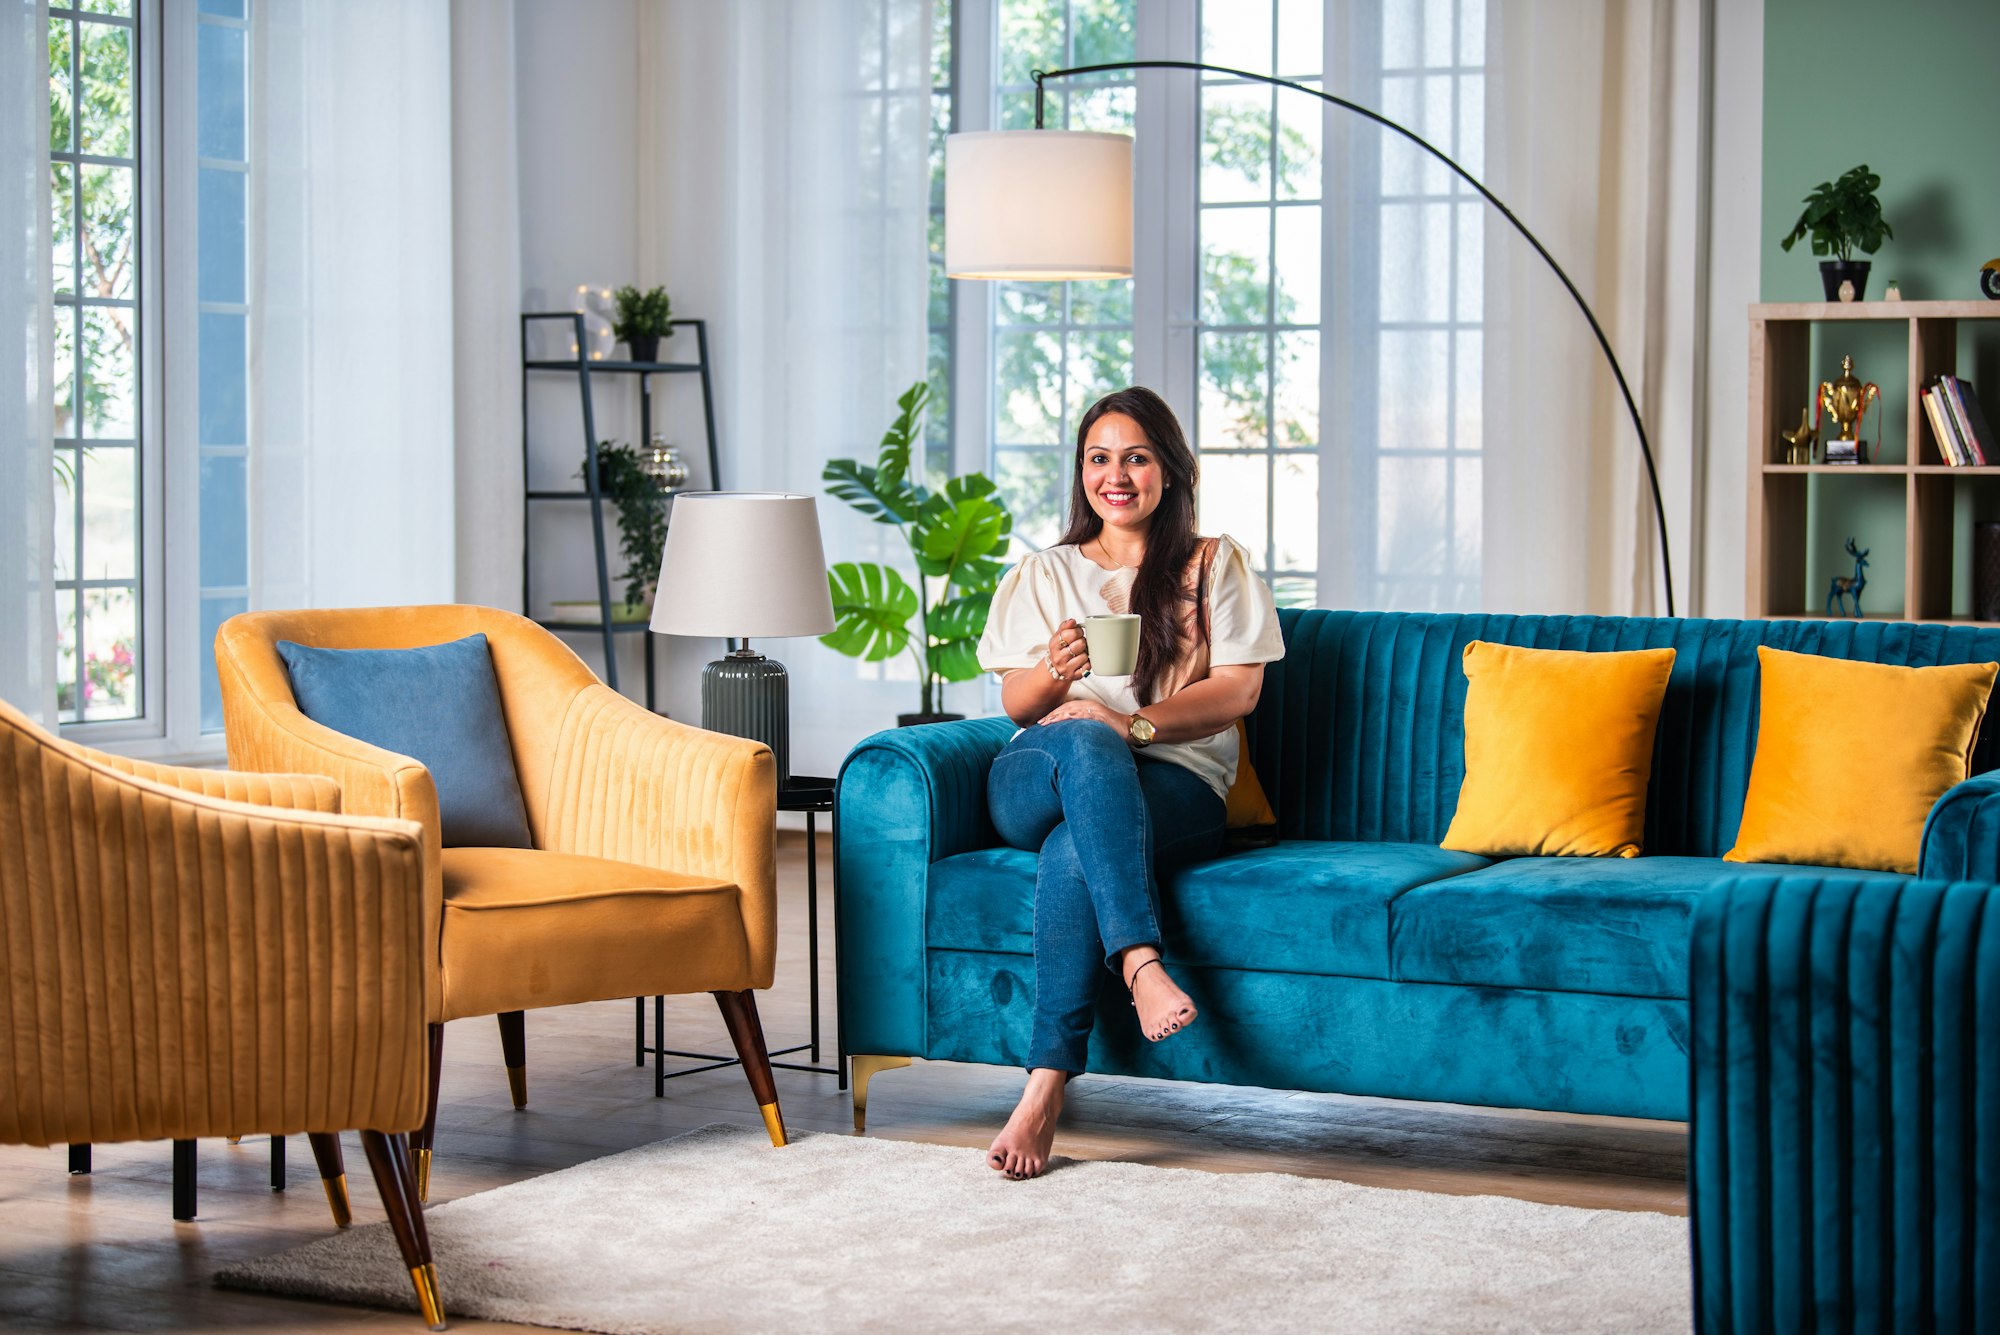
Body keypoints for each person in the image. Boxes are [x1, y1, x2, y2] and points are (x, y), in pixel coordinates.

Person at [973, 385, 1285, 1180]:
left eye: (1137, 457)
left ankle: (1044, 1086)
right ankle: (1142, 962)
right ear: (1082, 471)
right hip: (1036, 773)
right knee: (1081, 737)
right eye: (1100, 458)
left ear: (1171, 470)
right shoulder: (1044, 572)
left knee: (1080, 842)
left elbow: (1240, 690)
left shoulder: (1214, 564)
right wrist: (1055, 674)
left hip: (1173, 783)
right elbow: (1014, 702)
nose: (1117, 475)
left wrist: (1133, 725)